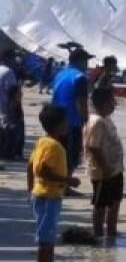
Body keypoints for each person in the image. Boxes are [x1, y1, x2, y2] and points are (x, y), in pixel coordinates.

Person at [27, 104, 80, 262]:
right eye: (65, 122)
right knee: (46, 238)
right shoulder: (54, 146)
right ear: (58, 125)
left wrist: (30, 189)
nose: (68, 125)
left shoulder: (43, 141)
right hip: (48, 196)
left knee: (48, 235)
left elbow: (30, 165)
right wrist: (67, 181)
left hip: (45, 195)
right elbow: (41, 170)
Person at [84, 87, 125, 239]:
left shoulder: (106, 119)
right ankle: (98, 232)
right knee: (101, 203)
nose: (114, 105)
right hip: (103, 171)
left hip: (115, 169)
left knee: (115, 200)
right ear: (102, 103)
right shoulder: (96, 122)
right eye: (111, 102)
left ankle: (112, 229)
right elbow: (93, 147)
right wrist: (105, 166)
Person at [50, 45, 90, 178]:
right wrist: (86, 120)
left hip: (55, 119)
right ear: (80, 61)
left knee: (60, 152)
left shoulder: (60, 74)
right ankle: (65, 184)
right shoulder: (80, 77)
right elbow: (81, 102)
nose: (87, 64)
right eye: (86, 61)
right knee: (72, 154)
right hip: (71, 122)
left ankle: (61, 183)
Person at [0, 48, 23, 159]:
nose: (15, 61)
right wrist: (16, 106)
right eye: (13, 58)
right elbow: (13, 92)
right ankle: (8, 154)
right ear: (7, 58)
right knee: (8, 132)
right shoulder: (8, 72)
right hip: (5, 108)